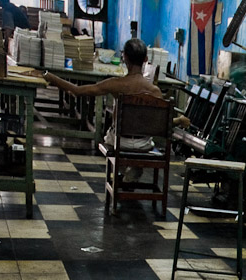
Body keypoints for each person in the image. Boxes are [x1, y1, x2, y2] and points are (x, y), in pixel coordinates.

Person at [37, 38, 189, 180]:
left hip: (120, 142)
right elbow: (162, 124)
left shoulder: (115, 84)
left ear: (124, 58)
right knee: (145, 136)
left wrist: (50, 77)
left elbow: (77, 90)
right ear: (145, 60)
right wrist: (180, 120)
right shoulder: (155, 91)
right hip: (143, 145)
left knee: (111, 134)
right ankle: (132, 168)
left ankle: (121, 170)